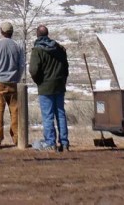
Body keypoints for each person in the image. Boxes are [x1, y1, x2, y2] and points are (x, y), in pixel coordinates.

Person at [29, 24, 70, 152]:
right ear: (47, 34)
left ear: (37, 35)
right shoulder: (59, 48)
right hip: (59, 85)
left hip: (45, 87)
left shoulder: (37, 50)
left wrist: (39, 81)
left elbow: (33, 70)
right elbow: (66, 68)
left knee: (48, 116)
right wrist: (62, 80)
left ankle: (50, 142)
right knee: (61, 114)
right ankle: (64, 142)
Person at [0, 21, 25, 148]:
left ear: (1, 31)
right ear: (12, 32)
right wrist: (17, 77)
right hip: (13, 82)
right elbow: (21, 65)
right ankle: (17, 138)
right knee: (15, 112)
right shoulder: (18, 45)